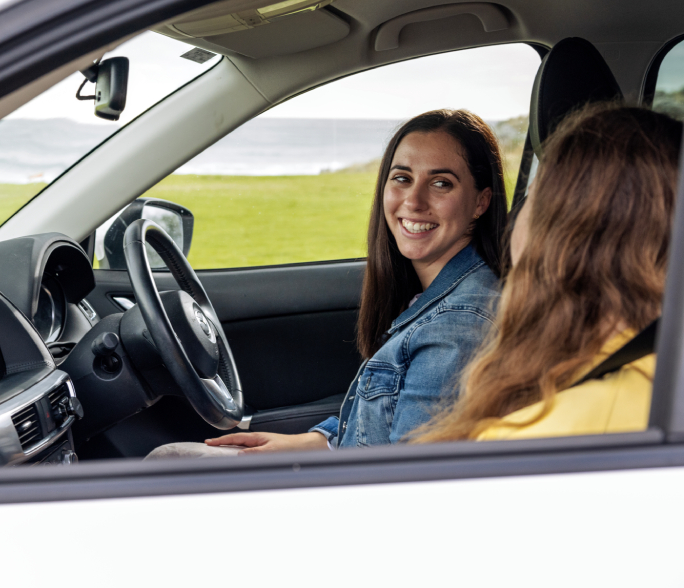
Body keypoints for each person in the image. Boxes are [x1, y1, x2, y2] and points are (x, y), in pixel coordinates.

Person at [147, 109, 508, 459]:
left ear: (481, 202)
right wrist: (316, 441)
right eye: (402, 178)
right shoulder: (441, 297)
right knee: (171, 458)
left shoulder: (458, 323)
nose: (413, 201)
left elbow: (407, 481)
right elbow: (384, 423)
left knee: (167, 464)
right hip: (353, 480)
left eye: (441, 183)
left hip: (359, 501)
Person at [413, 105, 682, 443]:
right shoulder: (659, 374)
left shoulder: (523, 441)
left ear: (559, 241)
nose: (515, 218)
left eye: (531, 196)